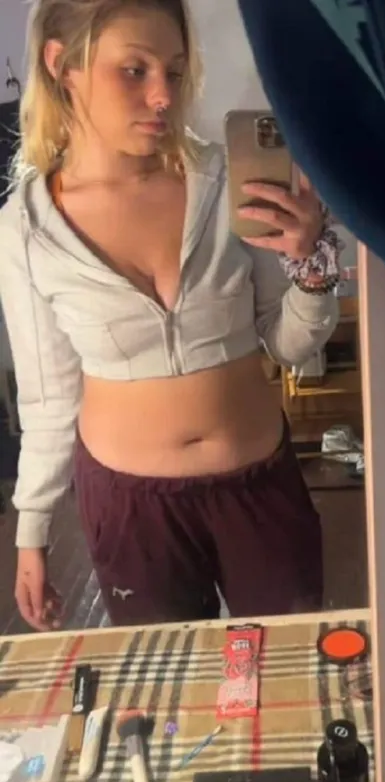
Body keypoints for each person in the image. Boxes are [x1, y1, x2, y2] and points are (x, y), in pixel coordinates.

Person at [0, 0, 340, 632]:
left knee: (286, 660)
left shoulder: (228, 183)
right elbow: (48, 400)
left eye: (175, 72)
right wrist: (32, 531)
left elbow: (289, 344)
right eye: (135, 70)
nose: (163, 96)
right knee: (165, 675)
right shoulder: (26, 229)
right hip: (129, 508)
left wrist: (310, 264)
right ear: (61, 64)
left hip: (258, 486)